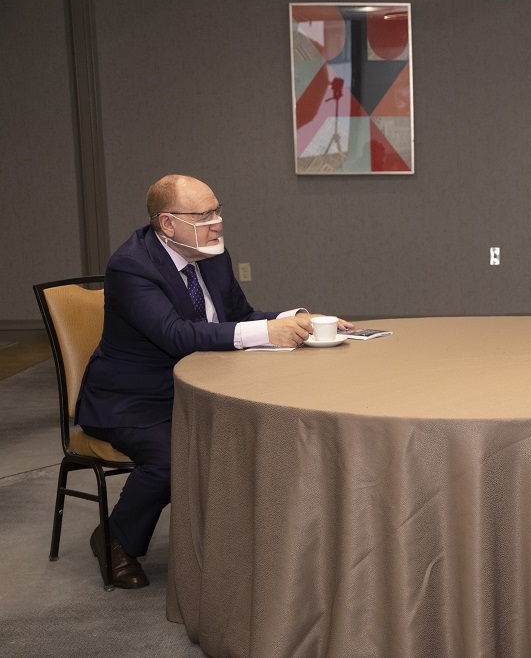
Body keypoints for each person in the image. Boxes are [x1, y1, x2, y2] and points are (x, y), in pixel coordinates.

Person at [75, 174, 352, 589]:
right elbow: (176, 335)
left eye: (217, 211)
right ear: (168, 224)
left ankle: (241, 543)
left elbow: (239, 314)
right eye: (204, 215)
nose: (217, 223)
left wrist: (292, 319)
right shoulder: (130, 266)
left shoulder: (210, 251)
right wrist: (266, 335)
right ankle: (115, 537)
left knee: (265, 431)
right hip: (133, 399)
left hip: (202, 386)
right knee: (171, 458)